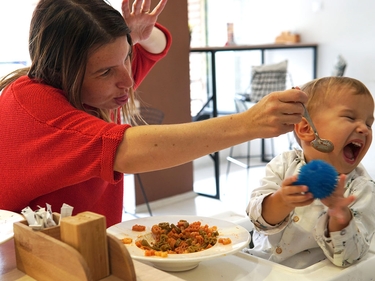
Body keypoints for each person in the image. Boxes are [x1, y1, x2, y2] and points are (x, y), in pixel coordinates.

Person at [0, 0, 307, 227]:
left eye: (126, 57)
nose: (127, 80)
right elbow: (125, 149)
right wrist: (248, 123)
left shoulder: (91, 87)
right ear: (61, 70)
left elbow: (156, 45)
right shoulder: (35, 107)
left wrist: (135, 37)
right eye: (107, 71)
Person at [246, 77, 375, 268]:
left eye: (369, 123)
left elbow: (350, 258)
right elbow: (258, 220)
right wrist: (282, 200)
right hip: (258, 265)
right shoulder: (283, 165)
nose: (364, 129)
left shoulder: (362, 188)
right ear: (306, 129)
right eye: (350, 117)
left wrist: (340, 216)